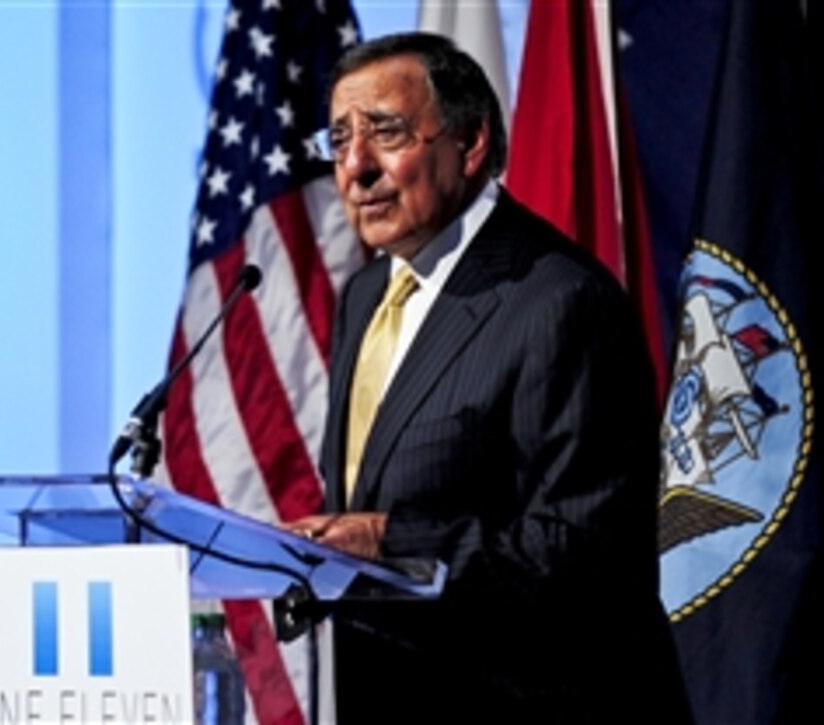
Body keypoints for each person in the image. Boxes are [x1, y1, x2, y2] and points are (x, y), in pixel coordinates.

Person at [287, 32, 692, 723]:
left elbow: (578, 557)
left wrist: (388, 538)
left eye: (385, 132)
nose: (354, 166)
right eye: (339, 137)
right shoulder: (364, 295)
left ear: (469, 145)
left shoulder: (559, 300)